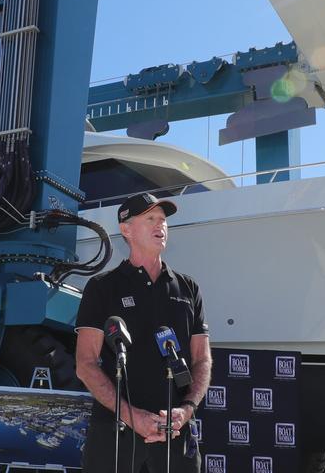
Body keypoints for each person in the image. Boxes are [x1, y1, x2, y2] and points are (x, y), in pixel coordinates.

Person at [75, 192, 212, 473]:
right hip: (116, 432)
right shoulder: (102, 288)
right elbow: (85, 364)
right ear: (126, 230)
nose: (160, 225)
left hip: (176, 433)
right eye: (150, 218)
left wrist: (185, 411)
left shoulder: (189, 288)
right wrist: (132, 416)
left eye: (162, 220)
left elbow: (203, 360)